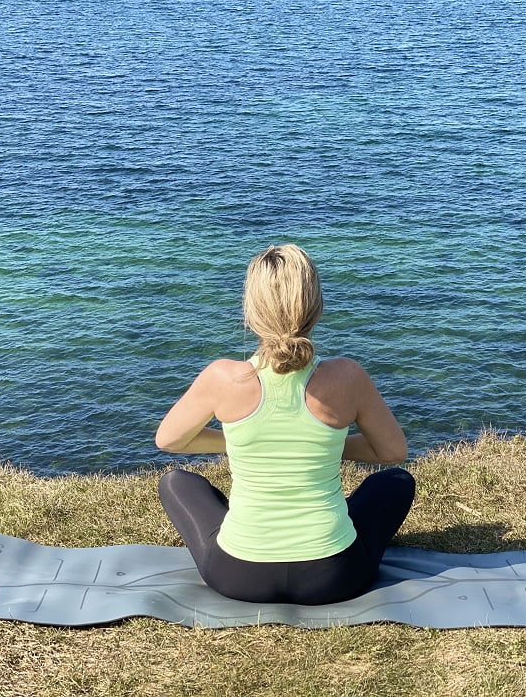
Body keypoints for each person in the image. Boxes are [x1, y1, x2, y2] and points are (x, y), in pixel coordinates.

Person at [155, 244, 415, 605]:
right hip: (335, 575)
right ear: (316, 306)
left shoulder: (223, 377)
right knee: (396, 483)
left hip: (237, 574)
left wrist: (241, 443)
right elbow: (392, 453)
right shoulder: (347, 376)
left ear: (251, 311)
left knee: (176, 482)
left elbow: (169, 440)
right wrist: (326, 445)